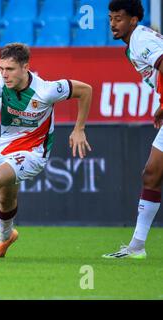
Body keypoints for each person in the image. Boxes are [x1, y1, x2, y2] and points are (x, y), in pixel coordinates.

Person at [0, 43, 92, 258]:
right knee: (6, 198)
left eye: (9, 69)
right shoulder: (0, 82)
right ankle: (6, 236)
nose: (4, 74)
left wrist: (79, 128)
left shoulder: (46, 90)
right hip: (7, 146)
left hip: (35, 152)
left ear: (25, 67)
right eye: (1, 69)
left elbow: (86, 90)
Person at [102, 0, 163, 259]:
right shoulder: (135, 42)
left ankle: (137, 246)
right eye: (111, 18)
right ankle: (137, 247)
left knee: (151, 173)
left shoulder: (140, 40)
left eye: (119, 18)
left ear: (134, 20)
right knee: (151, 174)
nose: (113, 24)